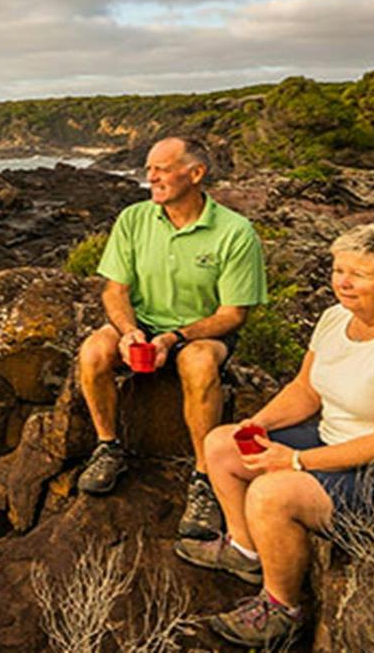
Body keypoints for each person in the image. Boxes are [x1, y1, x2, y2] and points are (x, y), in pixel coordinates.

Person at [175, 223, 374, 647]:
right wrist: (258, 424)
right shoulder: (337, 317)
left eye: (360, 274)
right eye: (339, 270)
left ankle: (282, 609)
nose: (344, 283)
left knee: (272, 493)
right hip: (330, 439)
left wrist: (296, 461)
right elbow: (305, 389)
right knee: (222, 444)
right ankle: (246, 551)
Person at [76, 136, 268, 542]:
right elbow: (114, 290)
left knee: (196, 362)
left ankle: (204, 478)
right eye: (149, 168)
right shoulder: (133, 219)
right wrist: (130, 333)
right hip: (142, 321)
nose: (151, 176)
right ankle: (108, 447)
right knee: (94, 351)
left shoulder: (236, 232)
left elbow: (233, 314)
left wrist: (174, 337)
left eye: (162, 168)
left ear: (196, 173)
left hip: (203, 330)